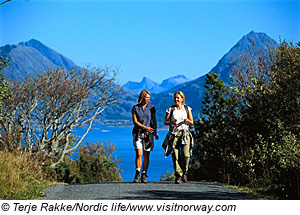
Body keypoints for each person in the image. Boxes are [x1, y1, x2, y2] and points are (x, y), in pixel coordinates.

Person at [163, 91, 194, 184]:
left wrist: (187, 120)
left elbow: (192, 122)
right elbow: (165, 121)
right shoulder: (171, 109)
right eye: (175, 97)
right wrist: (171, 122)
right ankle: (178, 175)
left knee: (186, 155)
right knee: (175, 155)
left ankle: (185, 171)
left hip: (185, 133)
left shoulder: (187, 108)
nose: (176, 99)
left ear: (182, 99)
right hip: (174, 134)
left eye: (178, 98)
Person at [132, 90, 158, 183]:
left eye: (149, 97)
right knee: (139, 154)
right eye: (146, 97)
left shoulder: (152, 108)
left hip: (148, 134)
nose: (148, 99)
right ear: (142, 97)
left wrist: (155, 131)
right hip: (138, 133)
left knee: (146, 155)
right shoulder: (135, 108)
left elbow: (154, 121)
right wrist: (145, 127)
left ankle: (144, 174)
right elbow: (135, 122)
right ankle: (137, 173)